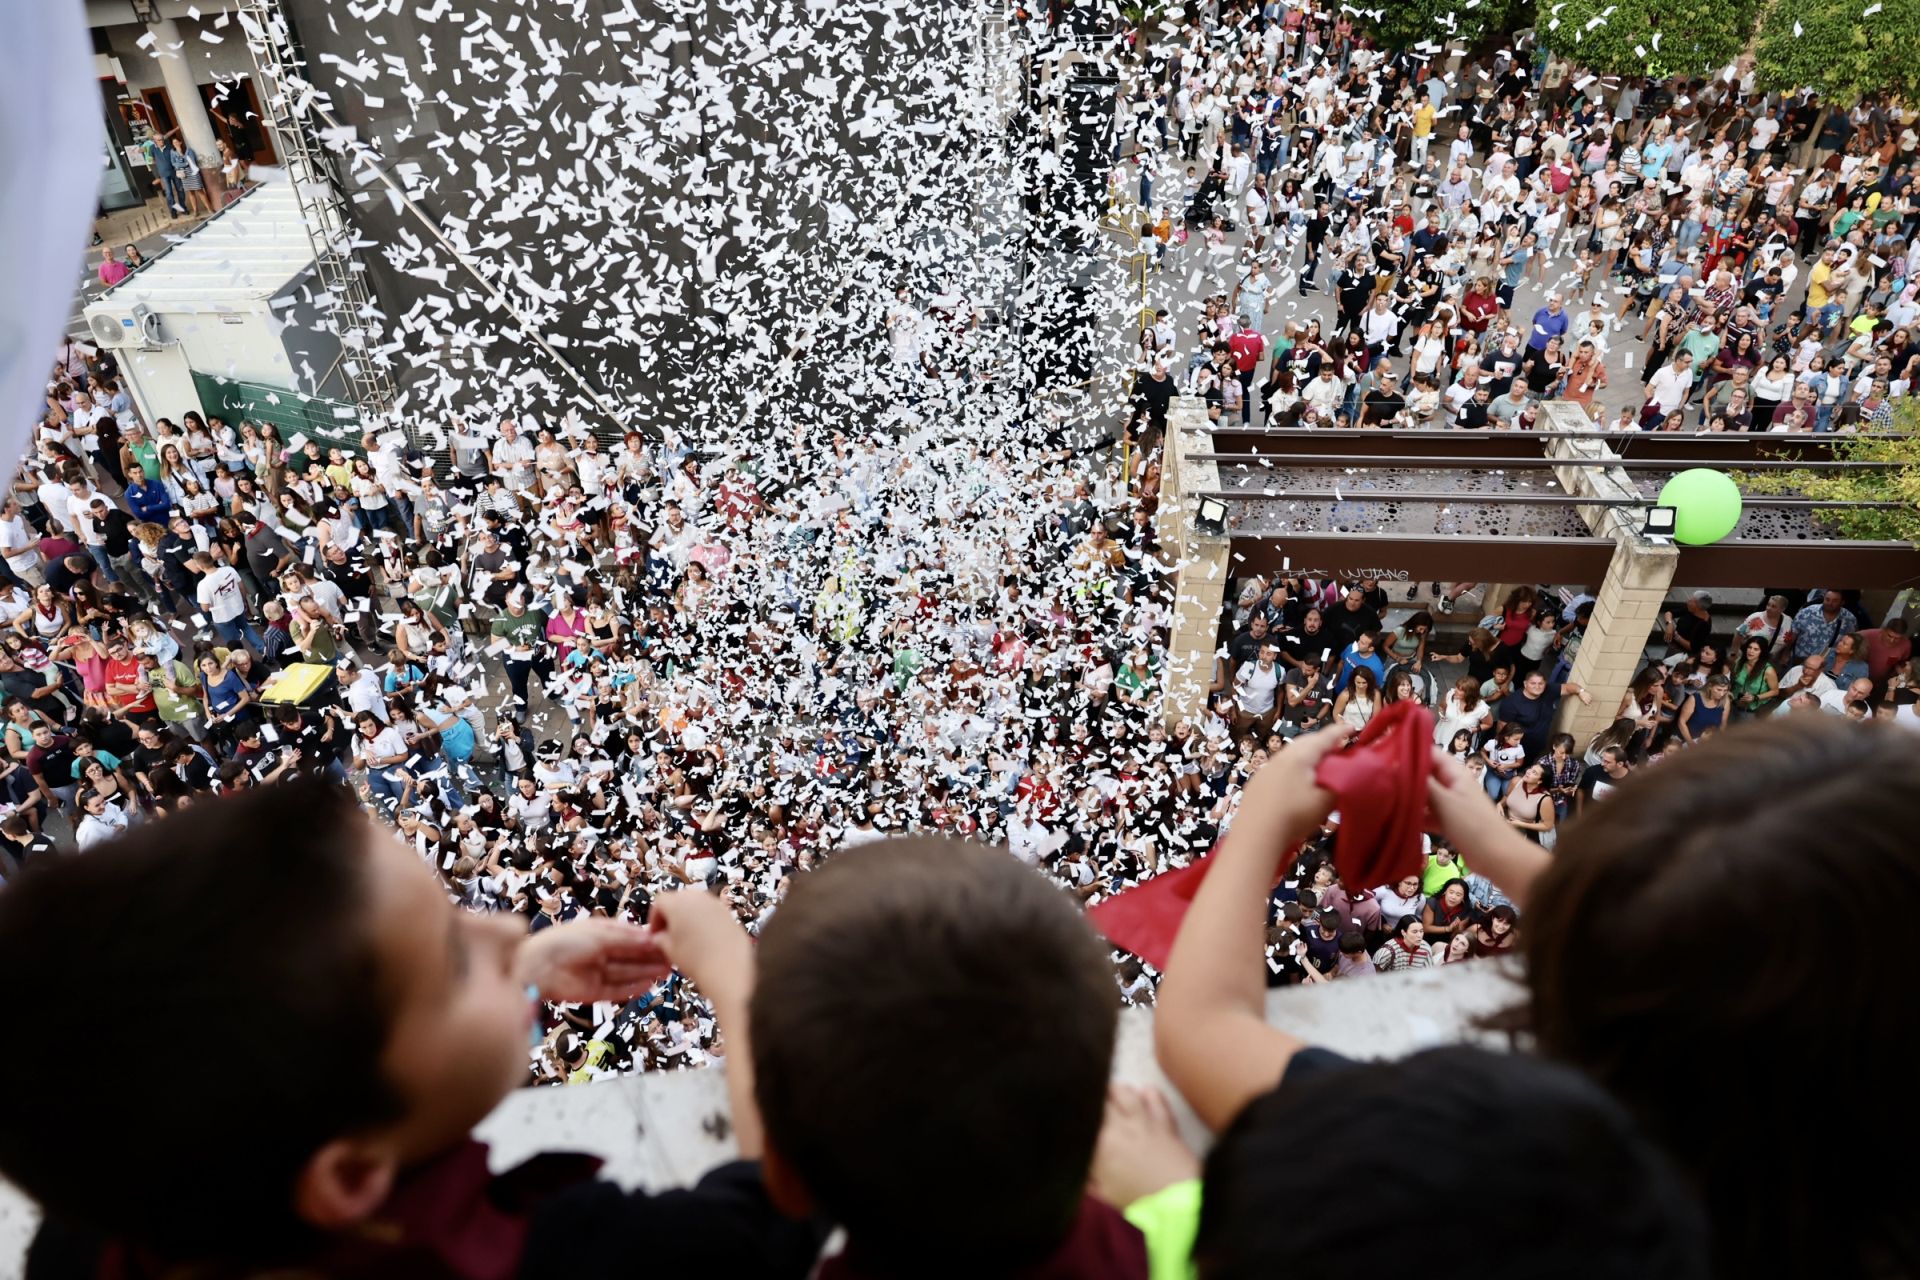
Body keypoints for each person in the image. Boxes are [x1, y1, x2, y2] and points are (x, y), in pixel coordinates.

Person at [0, 779, 822, 1276]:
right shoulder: (561, 1255)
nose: (505, 925)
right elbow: (774, 1216)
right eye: (456, 958)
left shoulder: (95, 1235)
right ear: (353, 1178)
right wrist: (735, 974)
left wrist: (517, 973)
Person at [1146, 728, 1710, 1280]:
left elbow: (1202, 1025)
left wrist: (1263, 821)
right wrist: (1495, 846)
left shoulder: (1473, 1151)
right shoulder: (1695, 1192)